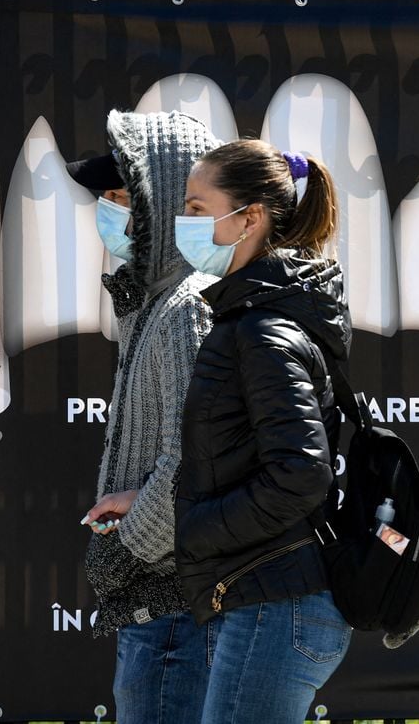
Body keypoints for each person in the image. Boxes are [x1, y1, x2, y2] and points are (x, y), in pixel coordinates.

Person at [173, 139, 353, 723]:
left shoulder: (261, 330)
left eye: (198, 209)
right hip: (269, 595)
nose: (185, 222)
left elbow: (301, 474)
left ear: (249, 217)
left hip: (279, 602)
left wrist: (196, 528)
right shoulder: (256, 316)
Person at [69, 110, 220, 724]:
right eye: (104, 198)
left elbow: (190, 462)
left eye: (122, 196)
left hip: (174, 612)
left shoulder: (185, 306)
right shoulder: (155, 300)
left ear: (168, 200)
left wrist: (131, 548)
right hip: (165, 611)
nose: (110, 211)